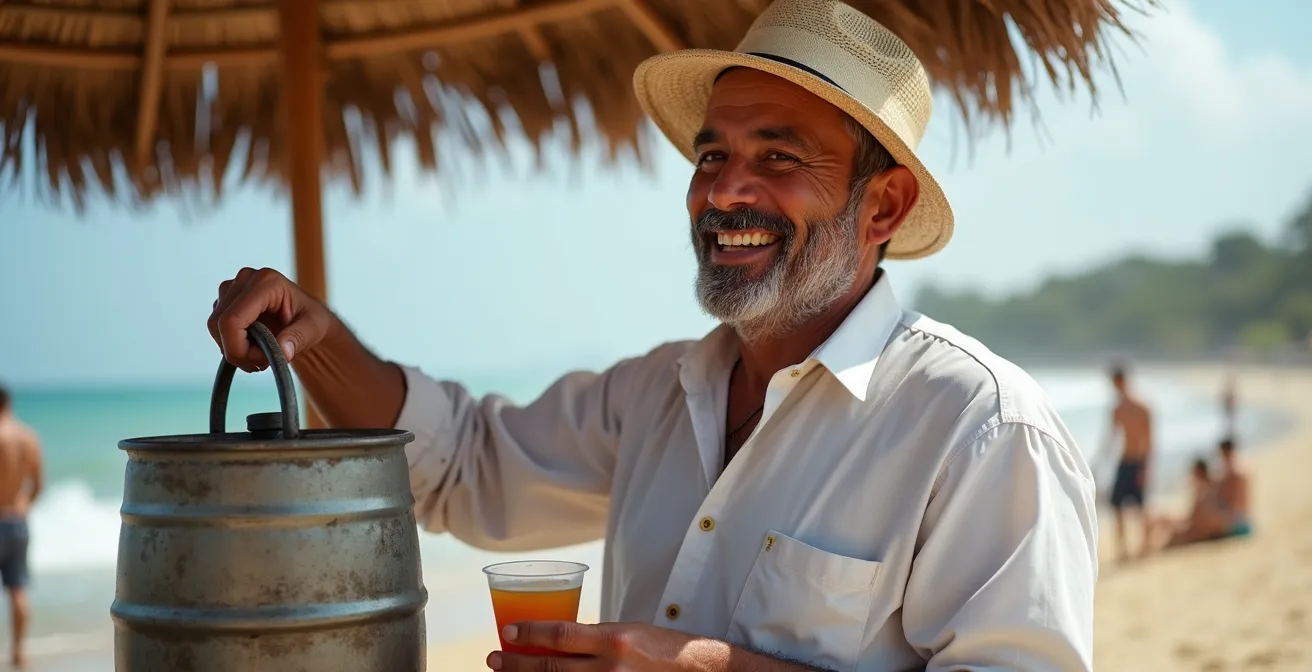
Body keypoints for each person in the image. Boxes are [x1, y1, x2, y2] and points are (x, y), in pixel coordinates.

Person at [208, 0, 1098, 669]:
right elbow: (462, 463)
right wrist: (316, 341)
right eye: (713, 156)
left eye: (779, 158)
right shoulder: (655, 397)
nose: (725, 192)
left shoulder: (980, 427)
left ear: (885, 205)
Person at [0, 385, 41, 670]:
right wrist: (23, 505)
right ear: (9, 403)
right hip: (17, 520)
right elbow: (37, 485)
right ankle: (19, 652)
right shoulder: (28, 436)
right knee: (17, 589)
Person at [1107, 363, 1154, 562]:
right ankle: (1123, 549)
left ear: (1122, 380)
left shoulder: (1142, 406)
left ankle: (1145, 546)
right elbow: (1112, 438)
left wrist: (1146, 467)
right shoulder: (1117, 409)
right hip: (1124, 460)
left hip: (1138, 461)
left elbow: (1149, 440)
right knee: (1116, 505)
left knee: (1141, 507)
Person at [1215, 437, 1252, 538]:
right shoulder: (1243, 466)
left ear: (1226, 452)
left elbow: (1231, 503)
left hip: (1238, 524)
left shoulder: (1232, 472)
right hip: (1247, 520)